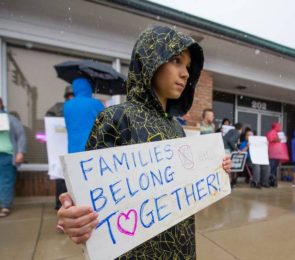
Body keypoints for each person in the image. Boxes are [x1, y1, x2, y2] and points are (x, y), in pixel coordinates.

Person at [57, 26, 231, 259]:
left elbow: (184, 181)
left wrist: (214, 170)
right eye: (177, 61)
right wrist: (74, 211)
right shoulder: (115, 118)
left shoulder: (176, 127)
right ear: (150, 60)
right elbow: (93, 191)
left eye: (188, 67)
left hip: (180, 245)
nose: (186, 73)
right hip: (136, 252)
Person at [45, 86, 74, 210]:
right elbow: (49, 121)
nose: (71, 97)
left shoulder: (76, 108)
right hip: (60, 147)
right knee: (61, 178)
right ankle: (59, 203)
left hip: (72, 146)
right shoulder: (58, 108)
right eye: (70, 95)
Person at [0, 97, 26, 217]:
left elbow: (20, 135)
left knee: (6, 181)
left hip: (7, 155)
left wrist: (20, 152)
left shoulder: (10, 119)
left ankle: (5, 206)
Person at [63, 78, 104, 154]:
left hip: (73, 147)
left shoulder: (67, 105)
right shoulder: (96, 103)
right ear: (89, 88)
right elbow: (104, 123)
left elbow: (68, 125)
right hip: (93, 146)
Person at [266, 122, 288, 187]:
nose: (281, 128)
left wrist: (284, 139)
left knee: (274, 168)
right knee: (271, 167)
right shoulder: (271, 132)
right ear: (276, 126)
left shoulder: (278, 133)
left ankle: (272, 181)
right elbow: (269, 140)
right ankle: (268, 181)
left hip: (277, 154)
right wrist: (276, 139)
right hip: (272, 154)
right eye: (279, 126)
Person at [223, 123, 243, 188]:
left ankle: (226, 183)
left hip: (223, 148)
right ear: (241, 129)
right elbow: (231, 140)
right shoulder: (237, 132)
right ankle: (228, 184)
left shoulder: (231, 131)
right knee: (228, 167)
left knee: (224, 166)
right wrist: (237, 150)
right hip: (226, 149)